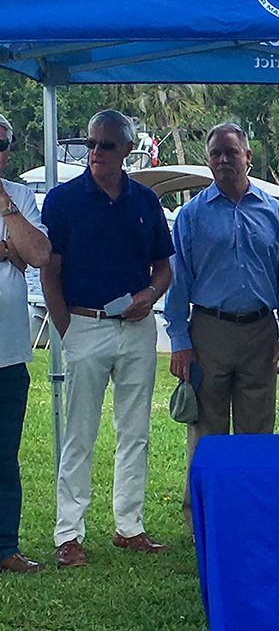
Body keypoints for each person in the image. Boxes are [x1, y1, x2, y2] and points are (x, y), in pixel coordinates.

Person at [40, 110, 174, 567]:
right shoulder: (62, 201)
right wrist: (68, 327)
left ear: (127, 151)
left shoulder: (144, 201)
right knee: (79, 435)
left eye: (105, 146)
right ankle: (68, 535)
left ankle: (129, 526)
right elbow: (49, 271)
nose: (95, 153)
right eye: (90, 144)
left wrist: (151, 294)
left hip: (137, 329)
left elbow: (165, 267)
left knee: (134, 432)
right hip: (85, 326)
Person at [165, 122, 279, 530]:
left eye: (231, 152)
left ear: (248, 156)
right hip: (208, 331)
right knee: (206, 432)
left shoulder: (275, 214)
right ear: (208, 161)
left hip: (261, 330)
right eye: (216, 154)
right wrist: (179, 341)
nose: (224, 160)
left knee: (257, 429)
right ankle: (203, 519)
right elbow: (179, 284)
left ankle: (253, 515)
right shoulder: (190, 217)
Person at [0, 114, 51, 574]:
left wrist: (5, 210)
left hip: (8, 354)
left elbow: (36, 255)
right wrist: (5, 251)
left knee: (4, 454)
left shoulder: (19, 196)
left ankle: (5, 547)